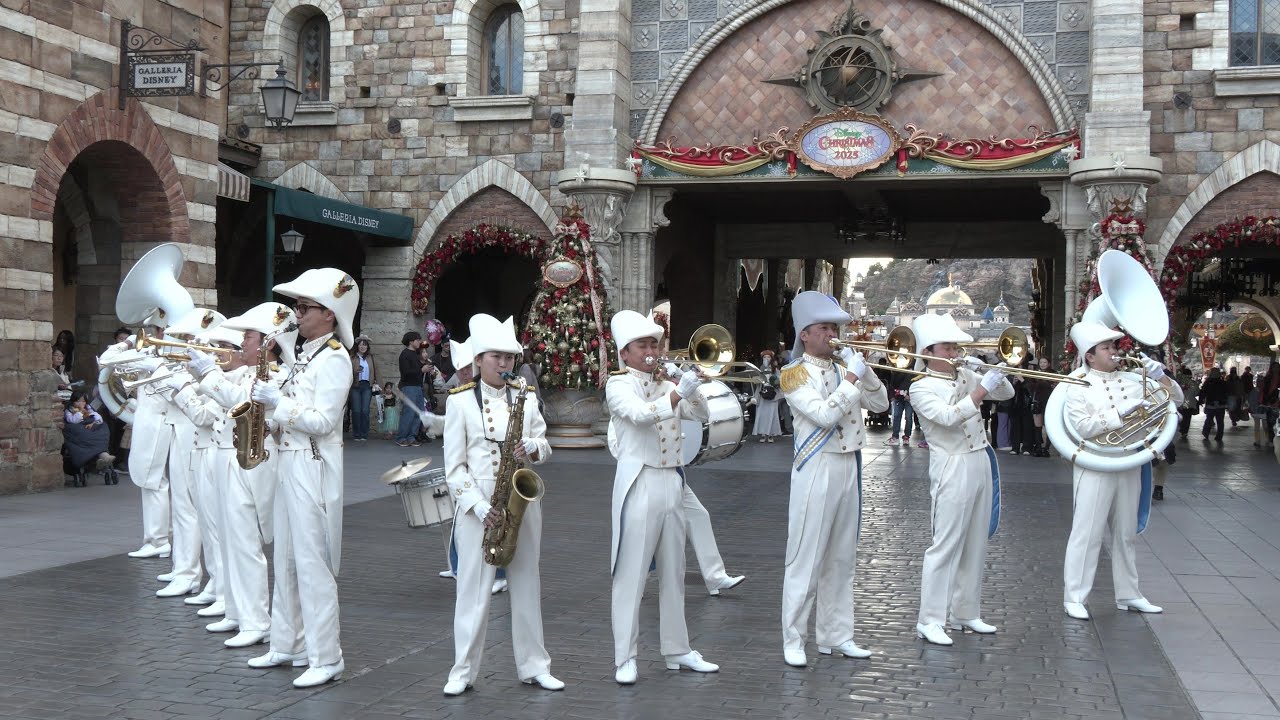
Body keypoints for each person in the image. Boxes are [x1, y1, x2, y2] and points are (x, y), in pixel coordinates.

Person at [244, 268, 357, 688]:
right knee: (287, 559)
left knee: (313, 564)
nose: (298, 313)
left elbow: (324, 421)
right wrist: (270, 416)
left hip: (313, 465)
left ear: (329, 314)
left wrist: (280, 406)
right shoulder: (307, 355)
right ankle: (286, 642)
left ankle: (327, 656)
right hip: (290, 462)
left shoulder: (334, 358)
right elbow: (293, 416)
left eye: (305, 307)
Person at [441, 314, 562, 696]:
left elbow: (545, 443)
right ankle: (462, 671)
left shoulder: (525, 397)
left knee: (527, 584)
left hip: (519, 500)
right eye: (496, 357)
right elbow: (454, 469)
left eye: (509, 357)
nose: (505, 363)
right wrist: (478, 507)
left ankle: (535, 665)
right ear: (478, 359)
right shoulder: (459, 403)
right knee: (472, 592)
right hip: (479, 504)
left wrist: (534, 448)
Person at [606, 310, 720, 684]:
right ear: (625, 352)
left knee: (675, 571)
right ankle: (625, 656)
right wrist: (676, 391)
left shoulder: (664, 382)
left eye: (654, 343)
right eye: (643, 345)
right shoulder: (617, 384)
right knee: (632, 575)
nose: (651, 350)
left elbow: (699, 413)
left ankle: (678, 649)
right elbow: (639, 416)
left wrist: (692, 386)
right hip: (639, 482)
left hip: (671, 480)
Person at [778, 292, 888, 667]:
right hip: (816, 466)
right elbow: (824, 416)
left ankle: (836, 634)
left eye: (834, 328)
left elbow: (881, 405)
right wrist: (854, 376)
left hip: (848, 465)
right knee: (805, 557)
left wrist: (866, 371)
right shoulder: (793, 374)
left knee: (842, 558)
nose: (832, 334)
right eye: (824, 328)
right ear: (805, 334)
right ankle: (794, 639)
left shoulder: (844, 369)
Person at [188, 302, 297, 649]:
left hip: (257, 461)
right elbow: (225, 387)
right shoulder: (245, 372)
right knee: (231, 538)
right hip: (234, 458)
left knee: (247, 542)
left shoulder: (277, 375)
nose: (243, 343)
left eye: (249, 337)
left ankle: (257, 621)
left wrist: (208, 376)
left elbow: (242, 401)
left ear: (268, 342)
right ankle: (237, 610)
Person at [1061, 321, 1183, 621]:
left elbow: (1176, 400)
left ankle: (1129, 593)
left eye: (1115, 346)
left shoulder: (1133, 378)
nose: (1115, 351)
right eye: (1107, 347)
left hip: (1129, 460)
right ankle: (1074, 596)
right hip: (1095, 464)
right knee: (1086, 533)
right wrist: (1118, 416)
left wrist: (1162, 378)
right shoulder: (1077, 385)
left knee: (1126, 532)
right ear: (1090, 356)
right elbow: (1083, 427)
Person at [908, 313, 1013, 646]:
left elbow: (1006, 394)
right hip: (951, 463)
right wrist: (981, 388)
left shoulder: (966, 373)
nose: (954, 351)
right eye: (948, 346)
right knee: (945, 543)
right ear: (928, 350)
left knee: (975, 541)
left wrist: (990, 369)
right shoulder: (920, 386)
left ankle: (965, 611)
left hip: (980, 458)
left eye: (955, 345)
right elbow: (948, 418)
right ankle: (930, 618)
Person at [166, 326, 248, 623]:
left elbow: (203, 416)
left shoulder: (237, 380)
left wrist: (183, 388)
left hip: (222, 454)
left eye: (224, 345)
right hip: (206, 452)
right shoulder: (223, 379)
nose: (218, 351)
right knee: (210, 525)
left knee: (222, 529)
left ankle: (227, 593)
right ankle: (216, 584)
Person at [155, 309, 226, 600]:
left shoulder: (213, 364)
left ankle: (190, 572)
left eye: (189, 338)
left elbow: (200, 399)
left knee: (191, 509)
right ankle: (184, 567)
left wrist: (177, 384)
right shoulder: (189, 363)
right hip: (180, 430)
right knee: (182, 505)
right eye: (184, 338)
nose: (185, 343)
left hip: (194, 434)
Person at [100, 323, 172, 560]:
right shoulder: (148, 354)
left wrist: (129, 342)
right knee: (152, 482)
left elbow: (108, 359)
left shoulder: (165, 355)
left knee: (154, 482)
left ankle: (159, 539)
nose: (150, 334)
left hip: (158, 423)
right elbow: (106, 360)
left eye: (155, 329)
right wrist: (130, 342)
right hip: (150, 421)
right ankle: (158, 538)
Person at [396, 332, 426, 447]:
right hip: (408, 386)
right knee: (409, 412)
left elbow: (417, 370)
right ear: (411, 341)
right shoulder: (405, 354)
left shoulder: (416, 354)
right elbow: (406, 372)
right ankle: (401, 437)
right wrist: (421, 370)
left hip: (418, 386)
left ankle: (411, 437)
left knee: (419, 412)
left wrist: (425, 369)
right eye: (417, 340)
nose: (419, 342)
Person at [349, 336, 376, 441]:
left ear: (367, 346)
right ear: (357, 346)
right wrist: (355, 372)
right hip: (356, 386)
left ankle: (364, 434)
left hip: (367, 386)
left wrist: (379, 384)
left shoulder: (371, 357)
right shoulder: (352, 357)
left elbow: (376, 371)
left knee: (365, 411)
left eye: (364, 344)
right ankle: (356, 434)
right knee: (356, 411)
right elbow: (347, 373)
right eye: (361, 344)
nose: (362, 346)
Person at [753, 353, 782, 442]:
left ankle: (770, 434)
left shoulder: (775, 369)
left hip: (772, 394)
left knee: (772, 414)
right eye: (764, 357)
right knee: (761, 414)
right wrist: (759, 380)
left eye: (768, 357)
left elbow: (780, 380)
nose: (766, 358)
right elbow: (755, 381)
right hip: (762, 394)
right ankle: (762, 433)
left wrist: (774, 381)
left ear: (771, 358)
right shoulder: (759, 370)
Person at [1198, 368, 1229, 443]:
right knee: (1220, 421)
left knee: (1209, 419)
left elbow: (1203, 392)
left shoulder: (1208, 382)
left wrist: (1200, 400)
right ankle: (1219, 436)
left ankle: (1206, 432)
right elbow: (1226, 393)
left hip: (1210, 404)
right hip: (1221, 404)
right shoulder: (1223, 382)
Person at [886, 370, 914, 446]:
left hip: (907, 397)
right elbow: (892, 384)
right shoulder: (896, 371)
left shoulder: (913, 370)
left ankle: (906, 436)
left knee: (908, 417)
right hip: (899, 397)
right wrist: (892, 396)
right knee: (897, 416)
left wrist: (910, 395)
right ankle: (895, 436)